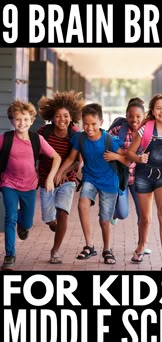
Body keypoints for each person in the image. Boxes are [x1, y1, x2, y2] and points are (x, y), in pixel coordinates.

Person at [54, 103, 128, 265]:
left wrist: (117, 157)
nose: (89, 128)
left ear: (101, 122)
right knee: (82, 205)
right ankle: (89, 245)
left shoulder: (110, 140)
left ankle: (107, 250)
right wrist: (60, 172)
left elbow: (126, 159)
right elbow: (70, 158)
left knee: (104, 220)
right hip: (90, 178)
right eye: (85, 124)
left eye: (93, 124)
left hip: (109, 182)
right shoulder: (80, 138)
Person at [0, 100, 61, 271]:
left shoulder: (37, 140)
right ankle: (10, 255)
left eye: (26, 119)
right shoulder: (5, 139)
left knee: (26, 223)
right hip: (8, 183)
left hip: (29, 186)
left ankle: (23, 224)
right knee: (10, 217)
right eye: (18, 119)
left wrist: (50, 178)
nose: (22, 123)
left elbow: (56, 157)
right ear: (12, 121)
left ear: (32, 120)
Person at [126, 93, 162, 270]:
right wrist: (139, 158)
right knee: (146, 218)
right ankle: (142, 246)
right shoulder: (145, 129)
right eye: (159, 108)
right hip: (143, 176)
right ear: (153, 110)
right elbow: (129, 153)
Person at [37, 91, 84, 264]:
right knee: (48, 217)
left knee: (62, 213)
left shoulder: (75, 135)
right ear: (52, 117)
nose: (62, 119)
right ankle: (52, 224)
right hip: (45, 180)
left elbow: (77, 162)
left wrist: (63, 173)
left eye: (65, 116)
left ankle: (55, 251)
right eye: (58, 116)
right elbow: (36, 154)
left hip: (67, 180)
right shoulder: (44, 132)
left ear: (71, 117)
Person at [105, 97, 151, 255]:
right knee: (122, 213)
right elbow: (106, 145)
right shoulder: (119, 131)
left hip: (140, 179)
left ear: (144, 116)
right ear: (126, 115)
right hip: (121, 178)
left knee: (143, 214)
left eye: (138, 116)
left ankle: (141, 244)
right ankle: (115, 213)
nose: (134, 119)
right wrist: (123, 156)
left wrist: (124, 154)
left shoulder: (148, 132)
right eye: (131, 116)